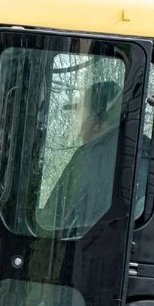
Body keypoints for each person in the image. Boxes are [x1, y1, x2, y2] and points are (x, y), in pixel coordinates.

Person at [38, 73, 121, 237]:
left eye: (80, 112)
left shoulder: (89, 158)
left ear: (97, 121)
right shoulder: (138, 151)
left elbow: (55, 219)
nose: (75, 120)